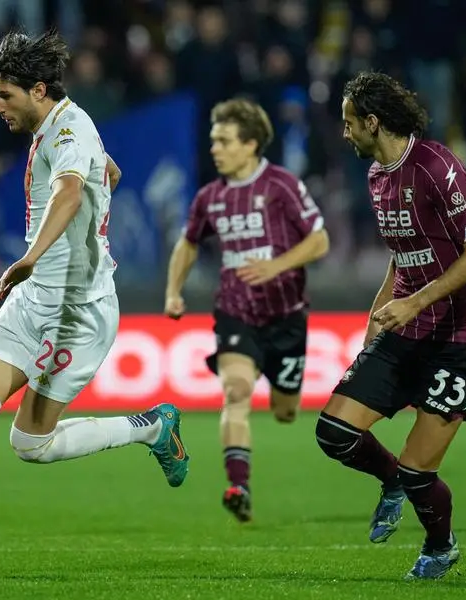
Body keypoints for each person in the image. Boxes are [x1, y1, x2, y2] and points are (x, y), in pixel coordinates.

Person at [0, 29, 190, 580]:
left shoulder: (70, 129)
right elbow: (93, 167)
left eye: (5, 95)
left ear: (38, 90)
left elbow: (65, 190)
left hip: (75, 312)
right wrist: (104, 171)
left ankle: (152, 427)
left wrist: (31, 256)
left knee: (30, 444)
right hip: (35, 300)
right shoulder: (63, 125)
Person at [317, 71, 466, 580]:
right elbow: (403, 255)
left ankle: (440, 547)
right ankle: (390, 480)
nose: (345, 132)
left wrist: (414, 302)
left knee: (422, 472)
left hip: (461, 339)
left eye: (350, 122)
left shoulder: (438, 166)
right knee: (334, 433)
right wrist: (377, 312)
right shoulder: (377, 176)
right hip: (406, 330)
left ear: (373, 122)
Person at [164, 98, 329, 522]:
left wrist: (277, 265)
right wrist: (173, 292)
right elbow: (188, 243)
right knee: (235, 393)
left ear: (251, 143)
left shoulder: (281, 185)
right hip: (236, 313)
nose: (214, 148)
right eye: (213, 140)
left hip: (287, 315)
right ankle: (239, 485)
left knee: (285, 411)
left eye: (224, 141)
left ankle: (276, 410)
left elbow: (319, 240)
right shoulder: (210, 197)